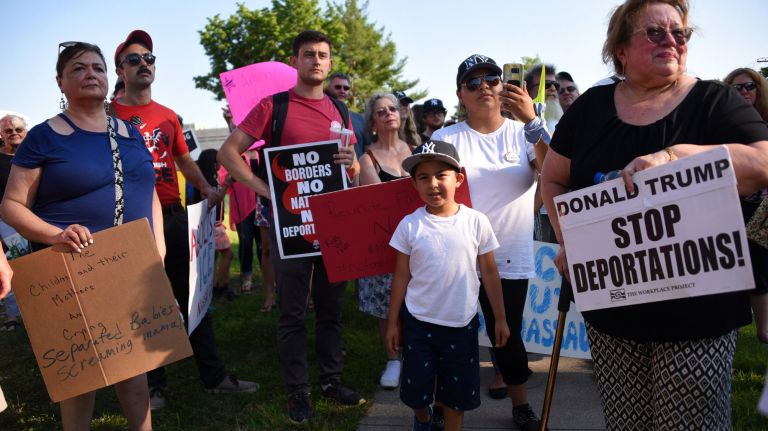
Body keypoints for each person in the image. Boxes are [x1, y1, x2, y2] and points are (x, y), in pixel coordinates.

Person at [540, 1, 768, 429]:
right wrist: (569, 239)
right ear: (621, 48)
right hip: (613, 314)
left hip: (699, 313)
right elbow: (552, 180)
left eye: (680, 33)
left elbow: (763, 164)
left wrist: (675, 156)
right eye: (656, 33)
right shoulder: (590, 108)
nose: (672, 41)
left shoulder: (714, 101)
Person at [0, 41, 158, 431]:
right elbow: (11, 206)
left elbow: (148, 188)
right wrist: (56, 235)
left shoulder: (131, 133)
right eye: (78, 68)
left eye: (98, 68)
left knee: (135, 373)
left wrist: (160, 244)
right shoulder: (43, 137)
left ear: (110, 77)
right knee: (80, 379)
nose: (91, 73)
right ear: (61, 82)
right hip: (72, 271)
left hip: (131, 267)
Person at [217, 30, 364, 424]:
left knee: (332, 309)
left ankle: (331, 380)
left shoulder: (341, 111)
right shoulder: (273, 106)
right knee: (293, 312)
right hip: (292, 227)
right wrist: (267, 190)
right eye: (308, 54)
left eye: (323, 55)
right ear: (295, 61)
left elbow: (349, 170)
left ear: (330, 63)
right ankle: (298, 390)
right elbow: (228, 153)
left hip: (334, 225)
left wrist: (350, 162)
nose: (316, 61)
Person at [111, 29, 257, 411]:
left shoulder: (168, 116)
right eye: (134, 59)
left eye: (149, 59)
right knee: (146, 307)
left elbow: (183, 161)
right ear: (120, 70)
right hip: (130, 225)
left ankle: (214, 376)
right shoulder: (106, 115)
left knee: (194, 300)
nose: (144, 64)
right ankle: (155, 385)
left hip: (174, 220)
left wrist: (207, 190)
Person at [431, 53, 548, 431]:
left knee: (507, 333)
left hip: (509, 255)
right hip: (454, 256)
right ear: (459, 95)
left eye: (492, 78)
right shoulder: (444, 137)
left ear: (505, 85)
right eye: (473, 82)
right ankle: (442, 405)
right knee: (449, 335)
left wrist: (531, 120)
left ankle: (521, 406)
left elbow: (553, 171)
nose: (484, 86)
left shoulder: (524, 132)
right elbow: (428, 190)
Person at [385, 140, 510, 431]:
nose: (433, 184)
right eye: (423, 177)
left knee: (456, 398)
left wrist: (500, 318)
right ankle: (424, 418)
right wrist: (393, 322)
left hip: (461, 323)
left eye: (441, 174)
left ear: (458, 179)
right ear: (414, 184)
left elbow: (489, 272)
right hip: (418, 324)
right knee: (415, 393)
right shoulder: (409, 225)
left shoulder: (476, 221)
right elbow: (401, 275)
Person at [357, 92, 411, 389]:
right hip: (386, 244)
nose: (389, 113)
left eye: (393, 108)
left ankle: (416, 354)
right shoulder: (368, 158)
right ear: (373, 123)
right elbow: (381, 203)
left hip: (420, 242)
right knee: (385, 304)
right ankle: (392, 359)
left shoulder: (417, 150)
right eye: (381, 111)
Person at [724, 67, 768, 344]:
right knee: (732, 268)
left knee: (760, 268)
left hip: (762, 209)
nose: (743, 92)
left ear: (759, 90)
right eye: (736, 88)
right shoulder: (722, 126)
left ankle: (764, 330)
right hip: (729, 206)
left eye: (749, 86)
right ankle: (733, 327)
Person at [188, 149, 236, 300]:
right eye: (219, 160)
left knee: (212, 258)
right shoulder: (208, 183)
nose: (221, 163)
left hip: (208, 225)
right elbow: (215, 201)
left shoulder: (203, 181)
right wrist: (227, 184)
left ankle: (214, 287)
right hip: (213, 226)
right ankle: (223, 285)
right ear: (213, 163)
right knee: (228, 254)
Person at [0, 114, 29, 331]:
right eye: (8, 130)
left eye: (18, 129)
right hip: (7, 223)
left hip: (37, 217)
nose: (14, 133)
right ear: (1, 134)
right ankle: (13, 315)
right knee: (12, 264)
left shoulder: (34, 155)